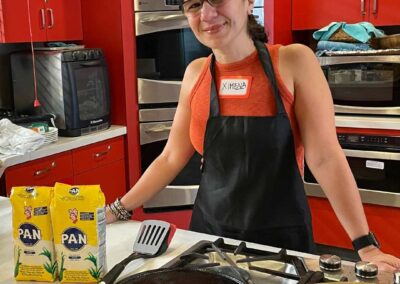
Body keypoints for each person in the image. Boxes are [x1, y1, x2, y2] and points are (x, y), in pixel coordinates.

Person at [107, 0, 400, 272]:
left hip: (282, 243)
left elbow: (325, 157)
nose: (207, 14)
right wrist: (118, 210)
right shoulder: (196, 74)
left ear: (248, 2)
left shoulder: (293, 61)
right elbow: (171, 158)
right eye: (194, 4)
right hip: (209, 238)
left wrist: (365, 244)